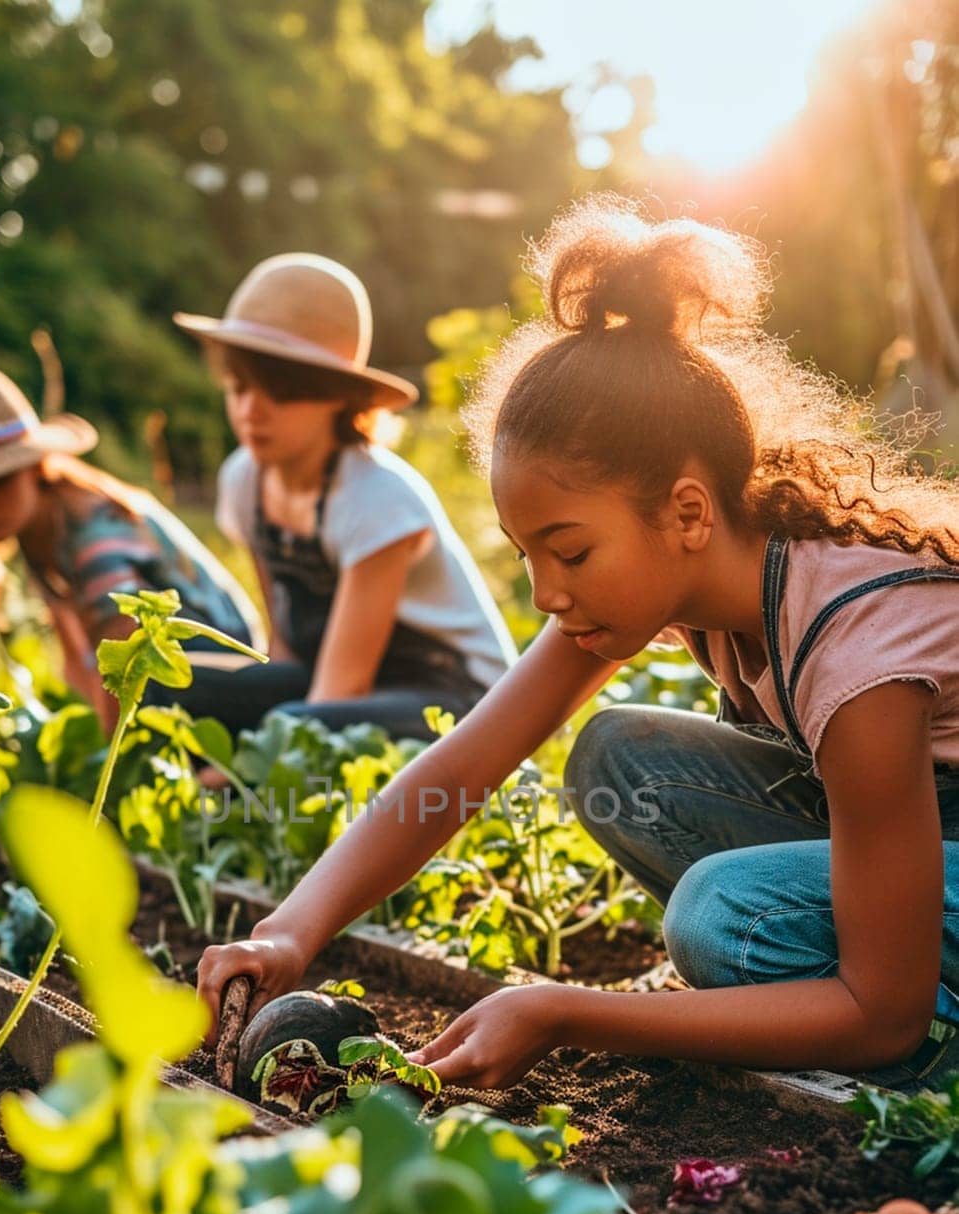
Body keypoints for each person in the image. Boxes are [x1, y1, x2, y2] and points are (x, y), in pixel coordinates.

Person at [197, 194, 959, 1094]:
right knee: (619, 759)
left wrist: (562, 1010)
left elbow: (882, 1012)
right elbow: (460, 765)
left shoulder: (857, 651)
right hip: (919, 834)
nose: (543, 591)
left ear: (685, 511)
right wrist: (287, 929)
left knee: (721, 917)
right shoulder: (696, 569)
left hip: (911, 901)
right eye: (526, 555)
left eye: (569, 551)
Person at [172, 252, 516, 740]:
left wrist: (237, 773)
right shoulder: (243, 482)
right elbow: (288, 647)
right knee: (168, 683)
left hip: (457, 699)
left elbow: (341, 687)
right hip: (346, 686)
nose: (251, 410)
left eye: (280, 392)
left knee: (294, 726)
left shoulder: (377, 496)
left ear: (336, 394)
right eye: (238, 387)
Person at [0, 368, 262, 730]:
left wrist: (107, 773)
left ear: (35, 466)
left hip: (226, 673)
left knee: (146, 697)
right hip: (171, 685)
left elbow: (120, 658)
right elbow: (78, 661)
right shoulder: (41, 533)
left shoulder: (93, 530)